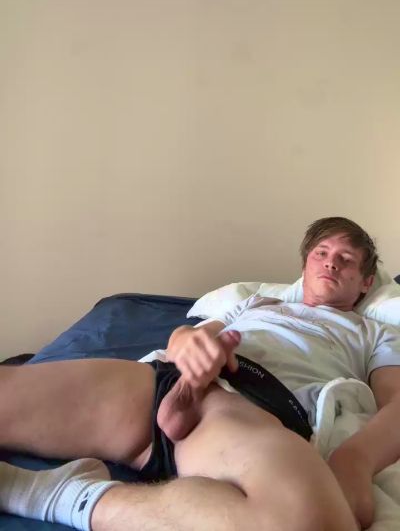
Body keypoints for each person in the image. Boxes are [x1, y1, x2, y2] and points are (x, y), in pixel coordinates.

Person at [1, 216, 400, 531]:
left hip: (250, 403)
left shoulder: (374, 332)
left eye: (346, 258)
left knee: (307, 521)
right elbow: (191, 336)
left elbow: (396, 404)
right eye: (321, 252)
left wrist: (354, 461)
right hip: (170, 378)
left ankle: (57, 494)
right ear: (305, 266)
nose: (331, 262)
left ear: (366, 283)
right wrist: (187, 344)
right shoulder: (258, 303)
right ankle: (185, 395)